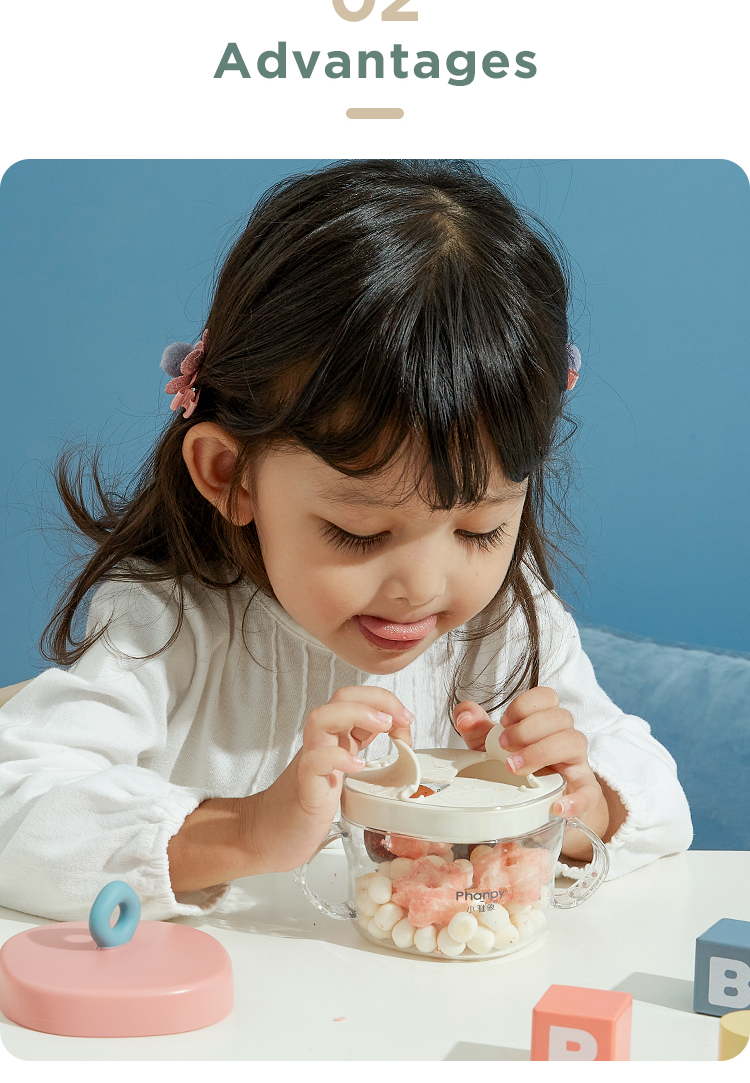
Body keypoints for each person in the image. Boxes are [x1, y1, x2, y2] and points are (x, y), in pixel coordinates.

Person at [0, 160, 692, 922]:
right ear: (230, 475)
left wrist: (580, 803)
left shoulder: (503, 632)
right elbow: (18, 808)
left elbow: (660, 798)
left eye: (479, 527)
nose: (424, 585)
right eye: (360, 531)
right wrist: (246, 828)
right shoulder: (166, 632)